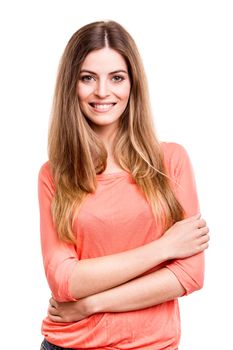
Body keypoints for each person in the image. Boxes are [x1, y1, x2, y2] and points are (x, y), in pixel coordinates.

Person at [38, 20, 209, 350]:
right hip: (69, 344)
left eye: (116, 77)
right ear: (71, 85)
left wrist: (90, 304)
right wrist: (164, 248)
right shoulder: (54, 174)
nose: (103, 91)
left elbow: (188, 276)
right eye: (88, 78)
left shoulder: (170, 161)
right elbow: (64, 280)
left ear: (133, 84)